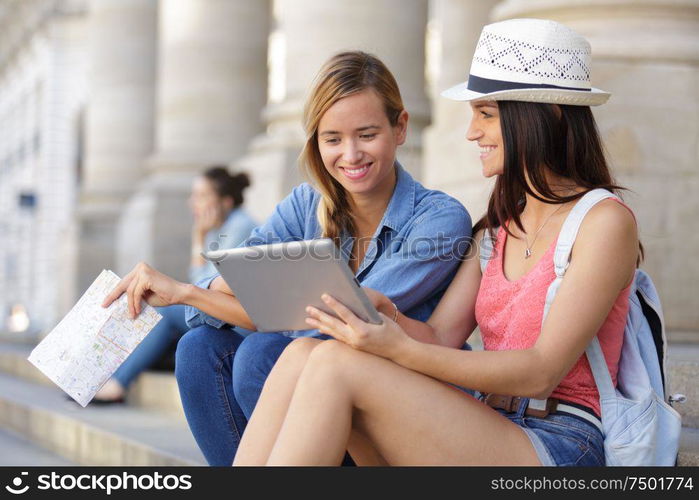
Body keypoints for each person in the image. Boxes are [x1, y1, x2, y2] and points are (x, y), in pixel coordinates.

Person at [232, 18, 642, 466]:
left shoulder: (604, 222)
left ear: (544, 116)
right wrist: (381, 311)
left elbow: (541, 371)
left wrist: (400, 349)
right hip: (490, 423)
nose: (471, 132)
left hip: (562, 440)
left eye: (486, 114)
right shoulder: (496, 229)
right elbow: (441, 336)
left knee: (333, 365)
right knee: (304, 352)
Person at [102, 51, 473, 465]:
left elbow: (338, 325)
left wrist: (204, 290)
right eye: (332, 139)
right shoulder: (305, 204)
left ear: (400, 127)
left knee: (263, 352)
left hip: (390, 404)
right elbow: (249, 285)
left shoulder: (439, 219)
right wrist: (199, 290)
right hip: (310, 385)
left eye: (366, 134)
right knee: (199, 349)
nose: (350, 155)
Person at [94, 167, 256, 403]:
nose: (192, 203)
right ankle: (110, 376)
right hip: (218, 314)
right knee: (157, 310)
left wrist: (199, 237)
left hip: (240, 319)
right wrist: (201, 236)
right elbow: (200, 283)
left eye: (201, 196)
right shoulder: (217, 228)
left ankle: (119, 384)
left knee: (166, 312)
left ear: (226, 201)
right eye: (193, 196)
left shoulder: (239, 227)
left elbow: (212, 285)